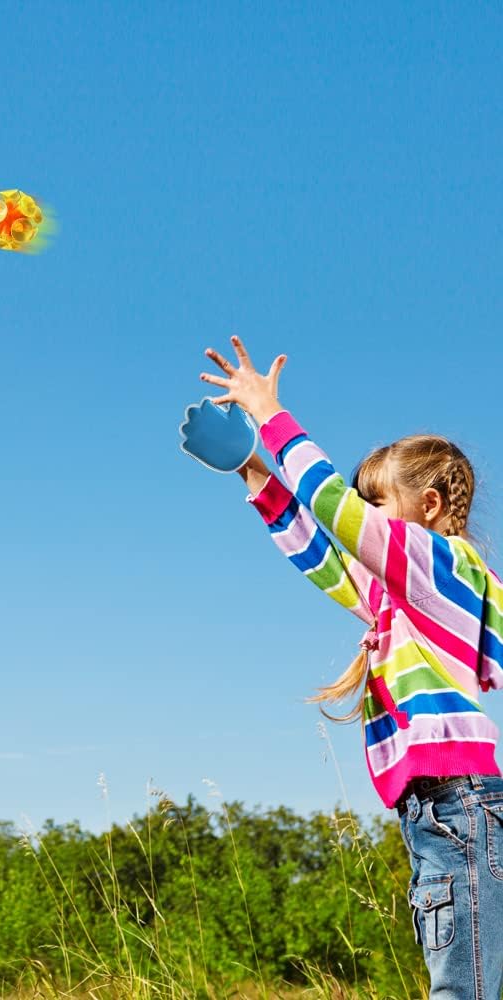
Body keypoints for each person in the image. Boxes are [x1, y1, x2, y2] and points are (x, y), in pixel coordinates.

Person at [200, 336, 503, 999]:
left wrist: (269, 415)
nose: (363, 520)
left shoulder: (439, 563)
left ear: (426, 509)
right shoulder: (403, 596)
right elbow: (323, 557)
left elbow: (331, 505)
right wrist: (253, 467)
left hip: (458, 801)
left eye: (378, 504)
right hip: (437, 808)